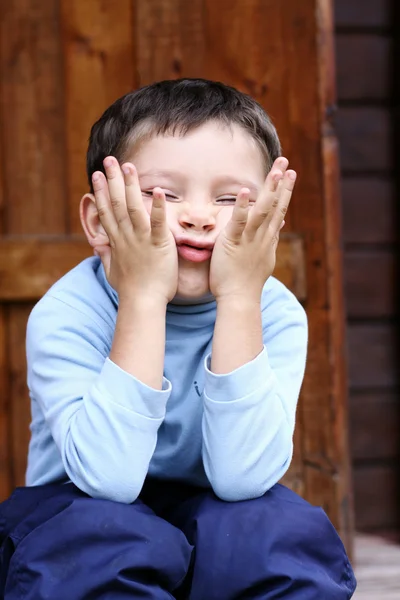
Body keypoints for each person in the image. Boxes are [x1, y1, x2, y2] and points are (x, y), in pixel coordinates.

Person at [0, 79, 356, 599]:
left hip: (217, 513)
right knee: (96, 541)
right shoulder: (70, 311)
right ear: (100, 220)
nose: (198, 216)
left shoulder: (273, 311)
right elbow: (108, 481)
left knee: (274, 533)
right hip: (83, 511)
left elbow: (243, 479)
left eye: (232, 198)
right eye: (161, 193)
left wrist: (238, 299)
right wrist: (144, 296)